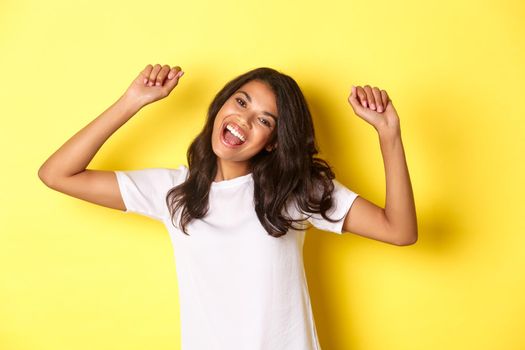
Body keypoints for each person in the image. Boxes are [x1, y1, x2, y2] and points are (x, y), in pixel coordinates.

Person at [38, 64, 418, 349]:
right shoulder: (174, 191)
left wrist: (389, 135)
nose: (243, 120)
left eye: (263, 120)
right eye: (240, 102)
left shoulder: (292, 190)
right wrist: (132, 101)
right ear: (222, 105)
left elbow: (399, 231)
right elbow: (57, 174)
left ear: (272, 142)